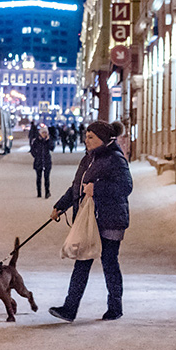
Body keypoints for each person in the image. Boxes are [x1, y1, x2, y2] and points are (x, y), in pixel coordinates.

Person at [48, 120, 133, 321]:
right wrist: (60, 206)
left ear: (102, 139)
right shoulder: (88, 159)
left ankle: (115, 307)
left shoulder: (115, 159)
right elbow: (76, 187)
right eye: (86, 136)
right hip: (90, 220)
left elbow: (125, 187)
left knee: (109, 263)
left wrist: (98, 189)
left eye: (90, 137)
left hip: (110, 220)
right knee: (82, 262)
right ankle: (69, 309)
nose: (86, 140)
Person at [30, 123, 55, 198]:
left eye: (45, 132)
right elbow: (32, 150)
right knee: (38, 178)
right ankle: (39, 192)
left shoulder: (49, 140)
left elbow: (52, 148)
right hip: (38, 162)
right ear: (40, 133)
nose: (44, 134)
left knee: (47, 178)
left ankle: (47, 192)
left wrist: (48, 140)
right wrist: (36, 156)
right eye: (43, 132)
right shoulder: (36, 141)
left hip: (47, 161)